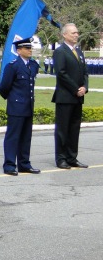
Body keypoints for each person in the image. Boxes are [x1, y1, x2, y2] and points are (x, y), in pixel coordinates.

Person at [0, 37, 41, 176]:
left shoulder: (33, 65)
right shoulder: (13, 65)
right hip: (16, 107)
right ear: (19, 50)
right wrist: (12, 99)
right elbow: (4, 87)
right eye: (27, 48)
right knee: (13, 136)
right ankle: (10, 165)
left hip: (28, 106)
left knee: (26, 137)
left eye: (30, 48)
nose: (30, 50)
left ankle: (24, 163)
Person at [52, 23, 89, 170]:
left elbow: (85, 72)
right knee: (63, 129)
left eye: (77, 32)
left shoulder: (79, 51)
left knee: (74, 129)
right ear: (65, 35)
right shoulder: (60, 52)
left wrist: (84, 88)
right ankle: (61, 158)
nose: (76, 35)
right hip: (65, 96)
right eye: (73, 33)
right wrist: (75, 89)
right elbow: (61, 73)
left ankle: (72, 157)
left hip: (78, 97)